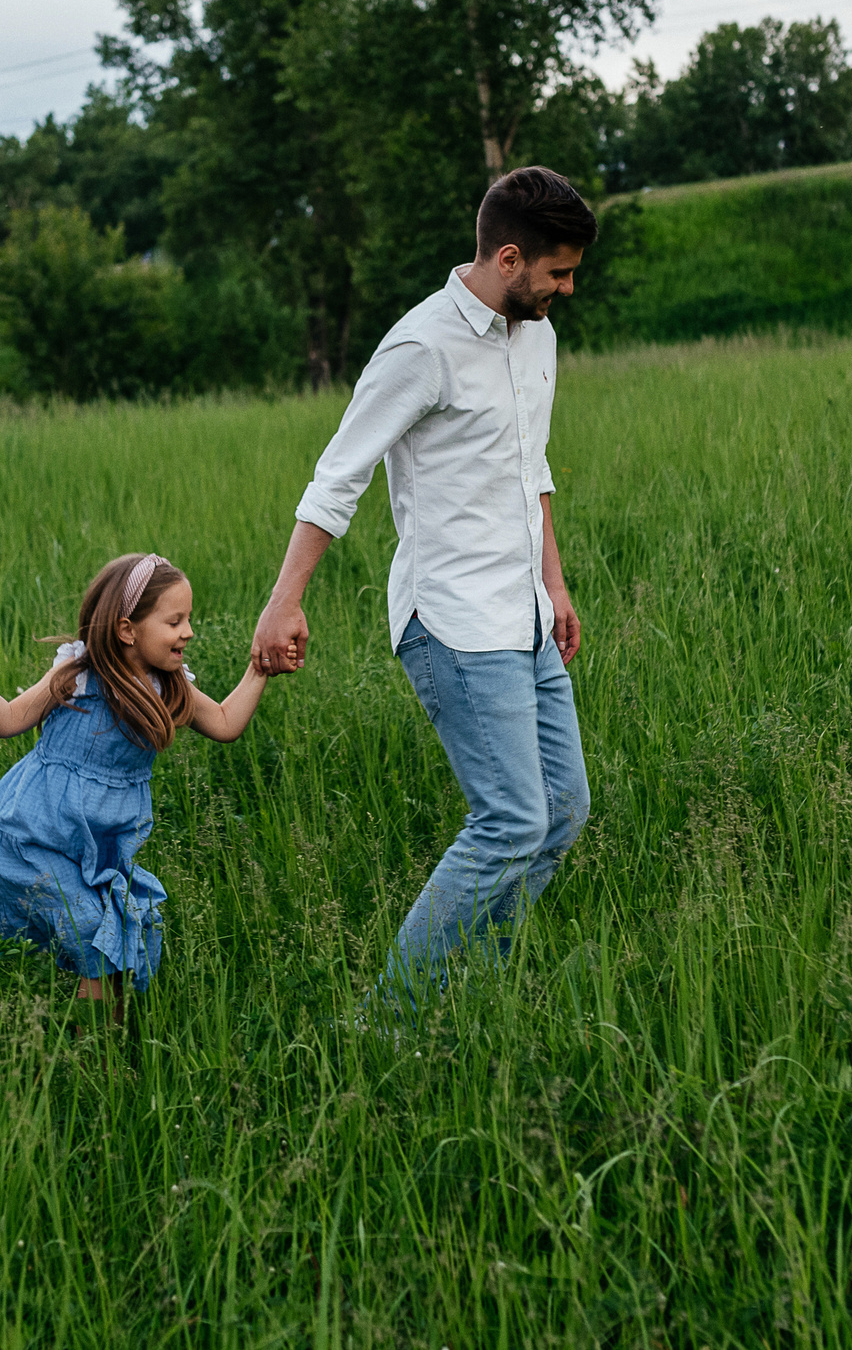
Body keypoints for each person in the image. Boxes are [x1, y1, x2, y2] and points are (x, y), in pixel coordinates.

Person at [249, 166, 595, 1004]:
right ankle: (395, 1013)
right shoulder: (419, 346)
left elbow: (529, 468)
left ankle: (478, 979)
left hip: (524, 614)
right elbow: (338, 477)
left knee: (563, 813)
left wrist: (556, 584)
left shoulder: (536, 338)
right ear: (508, 257)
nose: (568, 289)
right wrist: (283, 599)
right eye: (557, 272)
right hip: (453, 622)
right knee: (512, 820)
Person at [0, 552, 271, 1007]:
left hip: (93, 846)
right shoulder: (79, 675)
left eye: (189, 619)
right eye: (175, 621)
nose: (189, 631)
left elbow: (224, 723)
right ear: (127, 630)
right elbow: (6, 719)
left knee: (111, 933)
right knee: (90, 931)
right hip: (31, 835)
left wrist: (259, 669)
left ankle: (102, 1049)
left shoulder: (168, 684)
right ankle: (91, 1053)